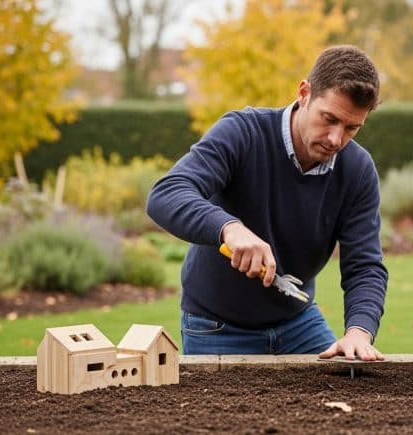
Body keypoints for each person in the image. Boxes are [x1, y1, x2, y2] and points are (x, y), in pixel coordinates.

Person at [147, 45, 388, 361]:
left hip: (299, 322)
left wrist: (359, 331)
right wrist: (229, 228)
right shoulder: (243, 132)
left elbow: (365, 265)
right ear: (304, 93)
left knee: (348, 385)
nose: (335, 139)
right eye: (329, 119)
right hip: (217, 326)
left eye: (351, 128)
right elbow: (166, 193)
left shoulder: (357, 170)